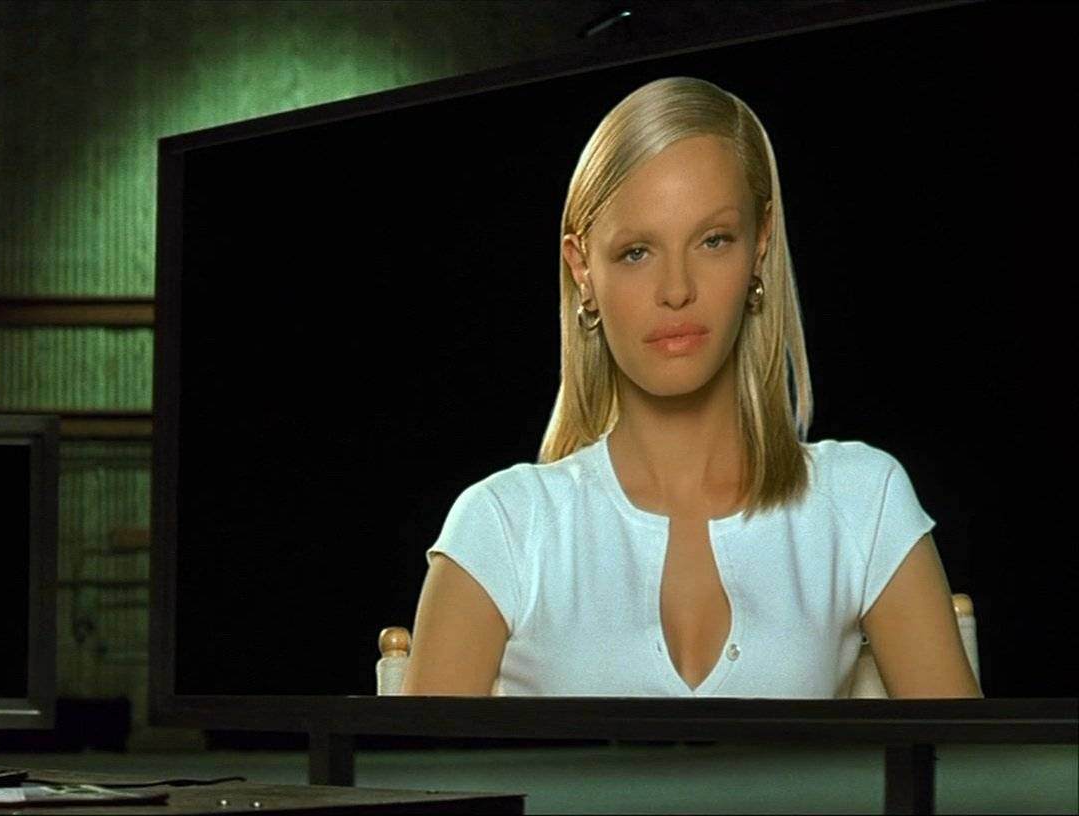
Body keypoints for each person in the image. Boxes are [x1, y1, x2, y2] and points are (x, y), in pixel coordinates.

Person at [402, 77, 981, 699]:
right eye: (636, 252)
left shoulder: (862, 501)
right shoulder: (503, 525)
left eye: (713, 241)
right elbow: (420, 768)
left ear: (760, 245)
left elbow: (964, 761)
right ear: (583, 269)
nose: (676, 289)